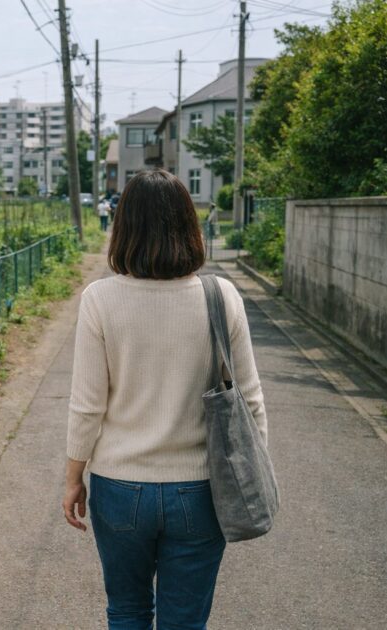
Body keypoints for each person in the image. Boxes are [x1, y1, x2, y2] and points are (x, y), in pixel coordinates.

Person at [62, 169, 266, 629]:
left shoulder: (100, 299)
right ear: (188, 225)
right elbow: (250, 401)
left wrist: (74, 476)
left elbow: (87, 405)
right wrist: (249, 471)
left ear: (124, 226)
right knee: (185, 622)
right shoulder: (222, 296)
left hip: (118, 487)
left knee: (128, 610)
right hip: (202, 490)